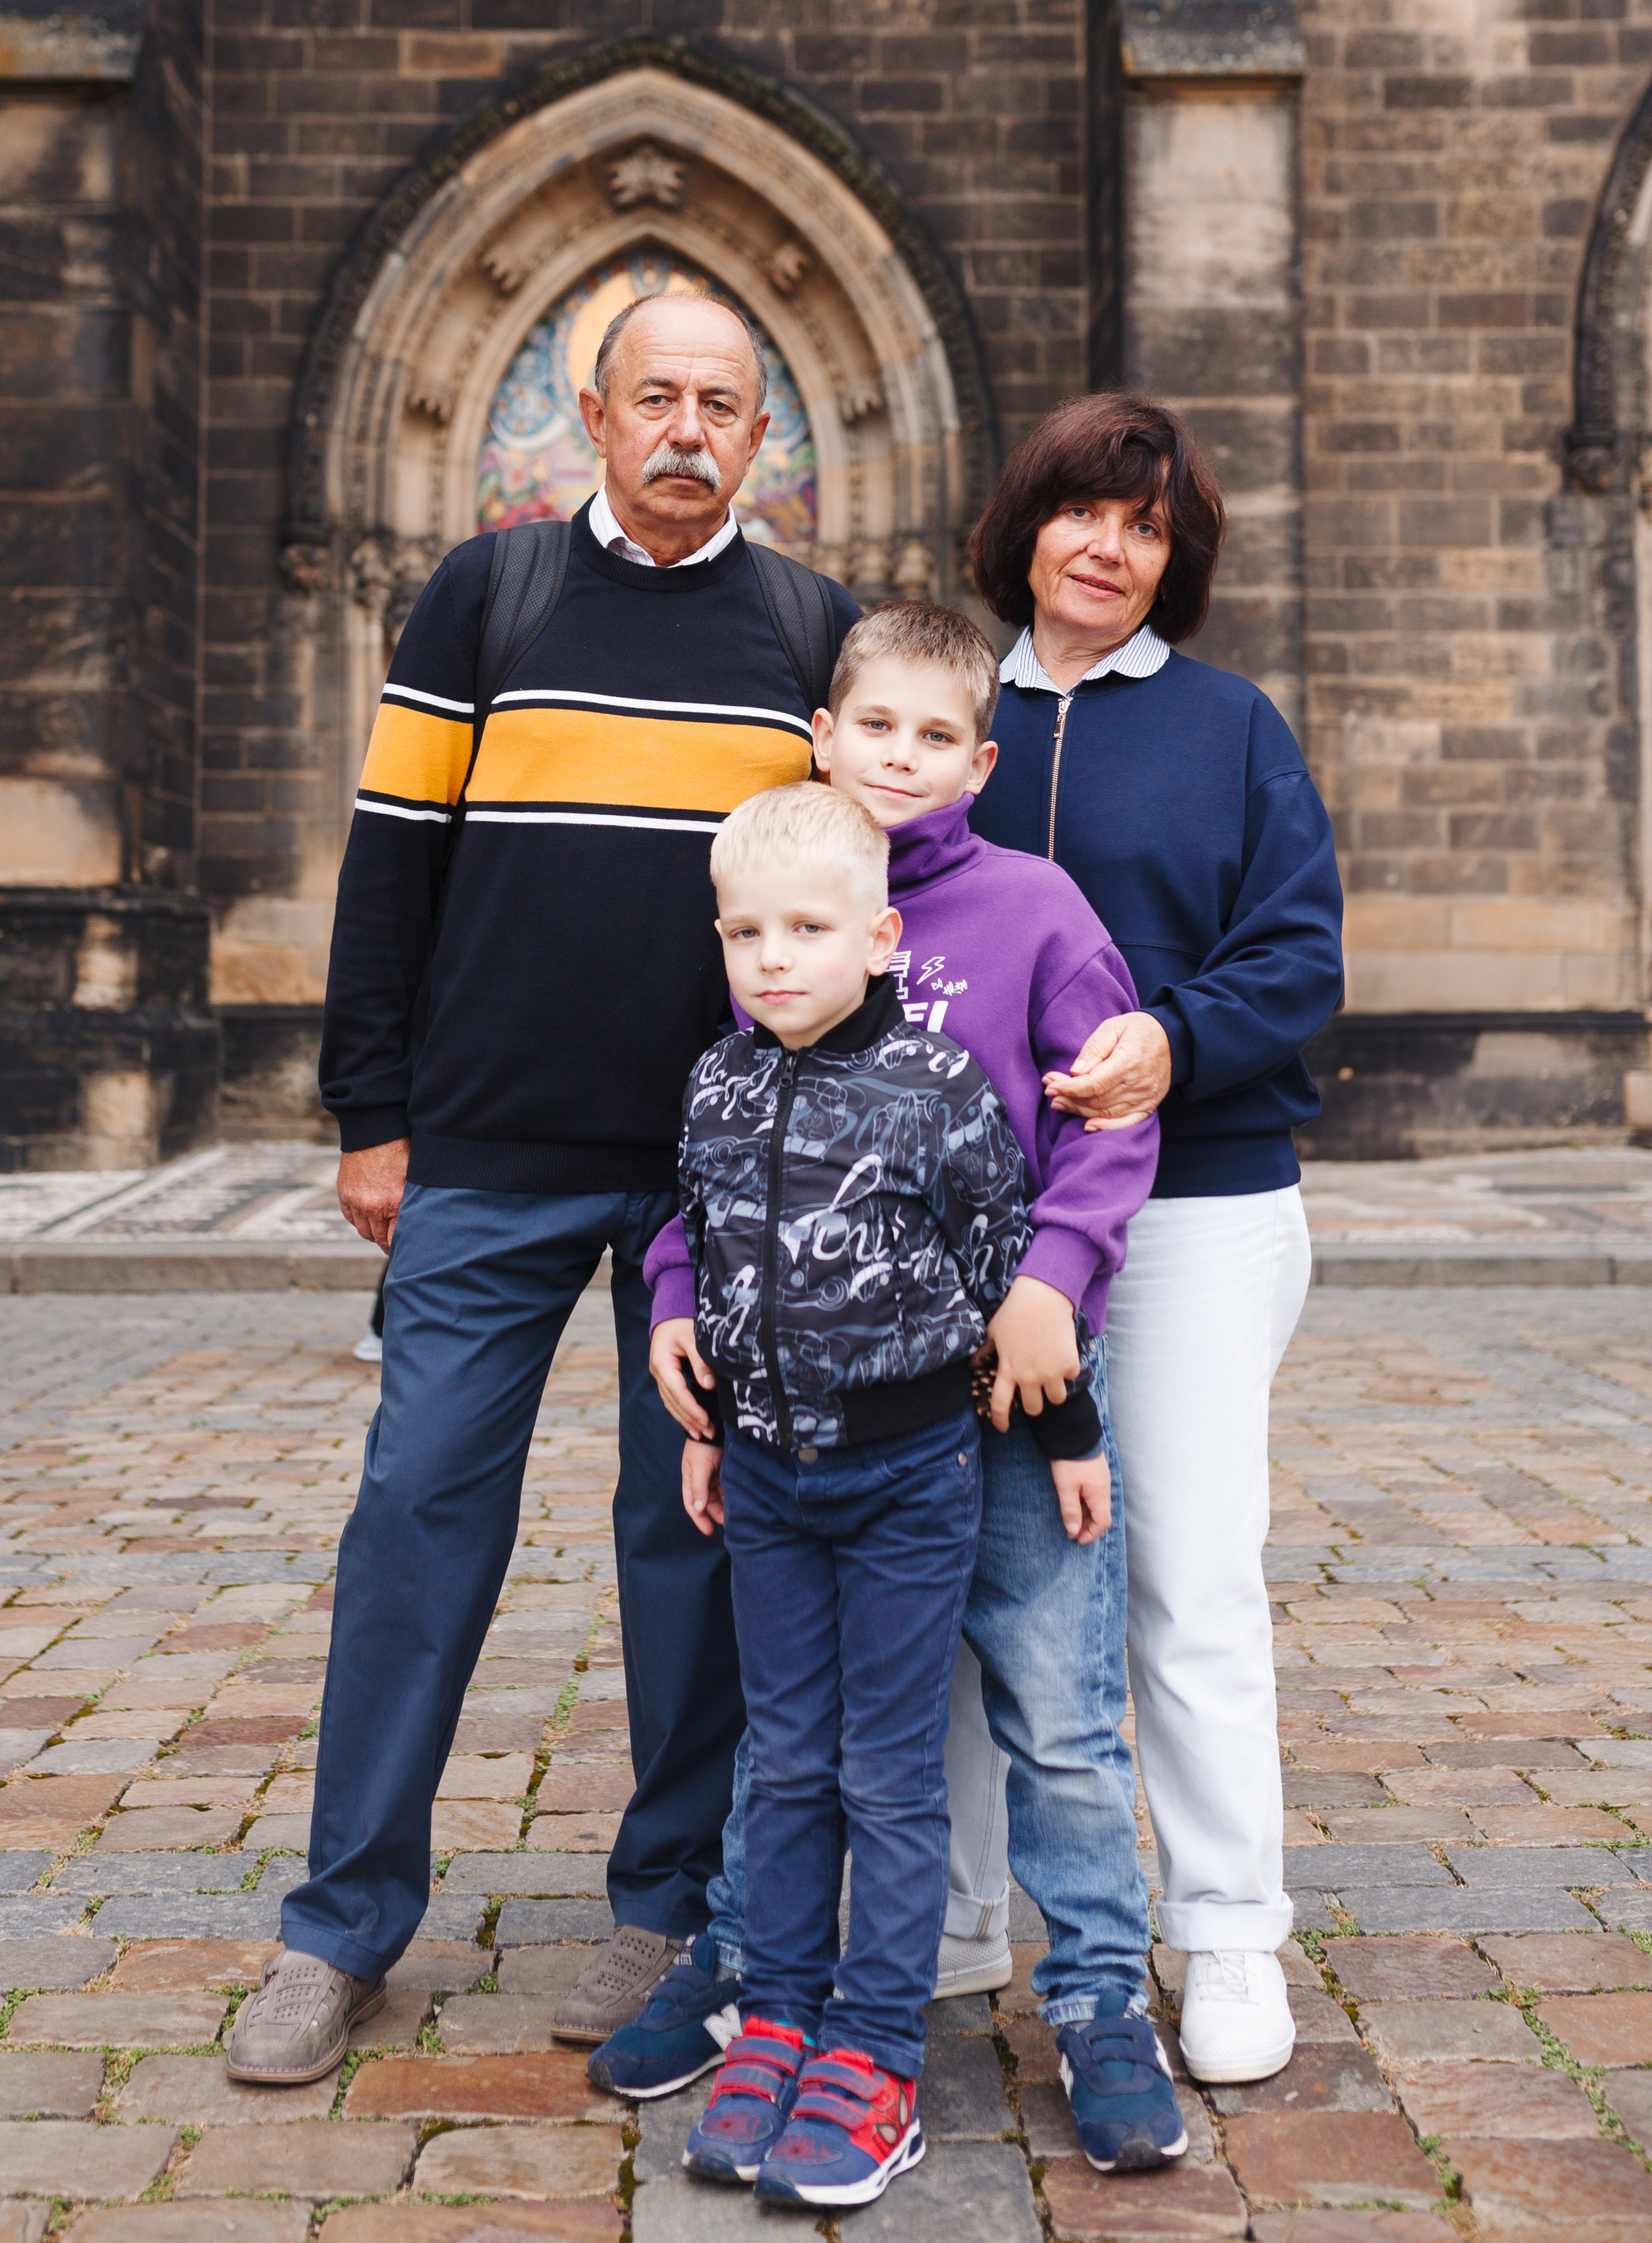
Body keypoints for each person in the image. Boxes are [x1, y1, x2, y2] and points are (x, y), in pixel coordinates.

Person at [226, 292, 858, 2086]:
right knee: (417, 1515)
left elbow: (836, 910)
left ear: (761, 436)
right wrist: (371, 1112)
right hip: (487, 1155)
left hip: (711, 1177)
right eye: (652, 395)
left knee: (690, 1540)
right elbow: (389, 865)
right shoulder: (480, 595)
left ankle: (665, 1909)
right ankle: (338, 1924)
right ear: (589, 414)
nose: (684, 427)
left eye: (720, 404)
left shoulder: (803, 633)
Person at [614, 604, 1192, 2178]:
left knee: (1058, 1714)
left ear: (977, 761)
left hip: (1001, 1372)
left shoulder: (1032, 908)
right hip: (813, 1406)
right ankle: (751, 1970)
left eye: (936, 737)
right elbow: (721, 1151)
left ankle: (1091, 2006)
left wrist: (1048, 1292)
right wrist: (678, 1294)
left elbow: (1102, 1122)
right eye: (875, 727)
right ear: (823, 732)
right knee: (787, 1730)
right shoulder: (770, 898)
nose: (900, 758)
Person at [964, 391, 1345, 2085]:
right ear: (1025, 524)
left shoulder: (1227, 725)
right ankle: (964, 1912)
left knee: (1183, 1579)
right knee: (965, 1567)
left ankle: (1227, 1934)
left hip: (1192, 1208)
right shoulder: (938, 716)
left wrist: (1171, 1040)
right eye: (1083, 512)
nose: (1109, 546)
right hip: (965, 1225)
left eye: (1146, 525)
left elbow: (1297, 959)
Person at [667, 778, 1072, 2209]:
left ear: (881, 937)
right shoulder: (717, 1082)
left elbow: (1007, 1271)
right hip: (767, 1479)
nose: (771, 958)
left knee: (886, 1777)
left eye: (805, 929)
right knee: (783, 1761)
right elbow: (714, 1253)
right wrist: (711, 1420)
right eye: (743, 932)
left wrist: (1069, 1434)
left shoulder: (936, 1090)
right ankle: (774, 2015)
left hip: (906, 1481)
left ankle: (873, 2054)